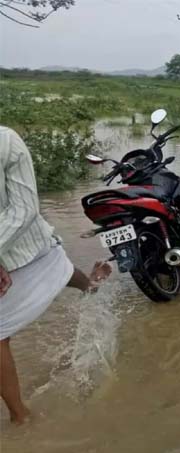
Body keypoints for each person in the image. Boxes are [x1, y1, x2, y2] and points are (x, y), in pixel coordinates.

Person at [0, 126, 111, 424]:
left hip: (26, 242)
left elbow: (23, 209)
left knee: (57, 265)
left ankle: (88, 285)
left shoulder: (5, 142)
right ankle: (19, 415)